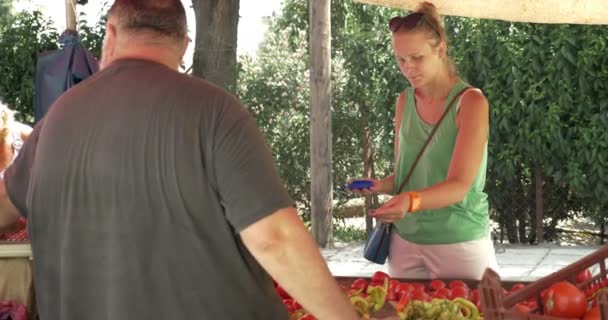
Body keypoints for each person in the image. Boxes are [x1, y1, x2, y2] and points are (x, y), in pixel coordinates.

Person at [0, 1, 360, 319]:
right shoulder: (217, 112)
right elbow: (273, 238)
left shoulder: (56, 118)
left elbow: (4, 207)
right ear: (184, 47)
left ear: (111, 34)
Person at [351, 2, 498, 280]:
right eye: (401, 60)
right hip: (405, 242)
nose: (408, 68)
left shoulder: (471, 102)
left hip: (459, 242)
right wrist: (380, 185)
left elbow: (458, 187)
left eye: (416, 57)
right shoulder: (404, 100)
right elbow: (405, 175)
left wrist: (409, 201)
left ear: (440, 50)